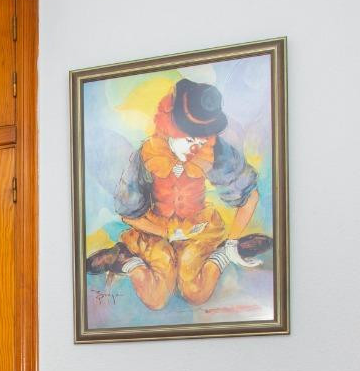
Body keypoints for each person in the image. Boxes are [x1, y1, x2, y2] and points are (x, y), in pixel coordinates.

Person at [102, 77, 262, 309]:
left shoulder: (213, 151)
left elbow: (250, 196)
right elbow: (128, 213)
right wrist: (167, 232)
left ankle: (219, 257)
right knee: (155, 298)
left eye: (202, 139)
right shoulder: (148, 154)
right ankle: (125, 260)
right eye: (189, 139)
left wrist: (231, 244)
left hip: (197, 229)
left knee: (196, 292)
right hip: (155, 229)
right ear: (169, 128)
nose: (196, 147)